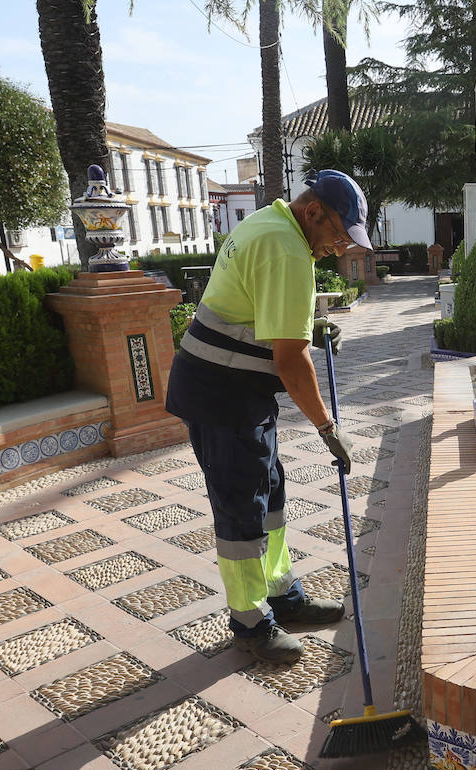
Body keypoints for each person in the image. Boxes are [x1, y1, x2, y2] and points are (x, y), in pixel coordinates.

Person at [165, 169, 370, 663]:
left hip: (237, 391)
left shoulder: (268, 223)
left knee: (269, 494)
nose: (339, 249)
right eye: (338, 235)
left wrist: (309, 323)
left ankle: (282, 593)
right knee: (241, 510)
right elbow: (289, 359)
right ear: (314, 212)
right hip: (223, 396)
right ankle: (251, 622)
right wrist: (326, 427)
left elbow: (254, 309)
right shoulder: (287, 249)